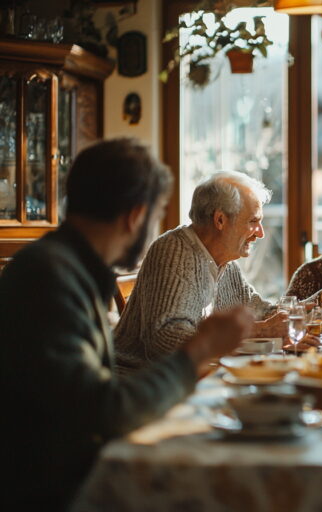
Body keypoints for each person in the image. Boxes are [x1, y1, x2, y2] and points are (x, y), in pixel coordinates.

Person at [0, 138, 251, 510]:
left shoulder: (67, 267)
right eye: (155, 217)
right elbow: (103, 411)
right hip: (51, 492)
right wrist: (201, 348)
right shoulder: (49, 277)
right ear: (136, 215)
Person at [114, 171, 293, 374]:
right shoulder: (174, 252)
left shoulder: (225, 262)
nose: (260, 232)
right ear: (220, 220)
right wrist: (260, 330)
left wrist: (314, 306)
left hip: (193, 376)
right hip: (143, 380)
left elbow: (259, 310)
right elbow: (164, 339)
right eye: (253, 221)